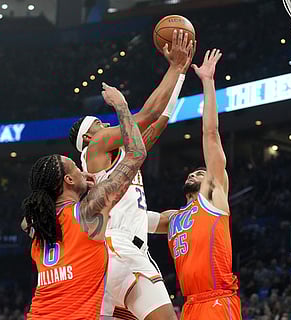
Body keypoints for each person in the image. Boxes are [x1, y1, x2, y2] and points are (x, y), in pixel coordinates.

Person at [69, 30, 194, 320]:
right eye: (101, 123)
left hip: (113, 257)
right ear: (89, 137)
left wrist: (180, 74)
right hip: (121, 251)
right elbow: (145, 116)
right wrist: (173, 67)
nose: (108, 125)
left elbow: (159, 122)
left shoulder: (122, 163)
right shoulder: (95, 149)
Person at [22, 83, 147, 319]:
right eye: (76, 169)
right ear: (68, 179)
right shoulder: (89, 211)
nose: (83, 170)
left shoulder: (37, 222)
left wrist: (75, 187)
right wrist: (121, 105)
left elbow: (26, 221)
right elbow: (137, 154)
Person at [149, 49, 241, 319]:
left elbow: (210, 134)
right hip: (189, 305)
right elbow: (135, 218)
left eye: (202, 172)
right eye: (196, 172)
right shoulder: (173, 219)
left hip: (217, 301)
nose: (196, 173)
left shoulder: (212, 198)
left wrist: (208, 82)